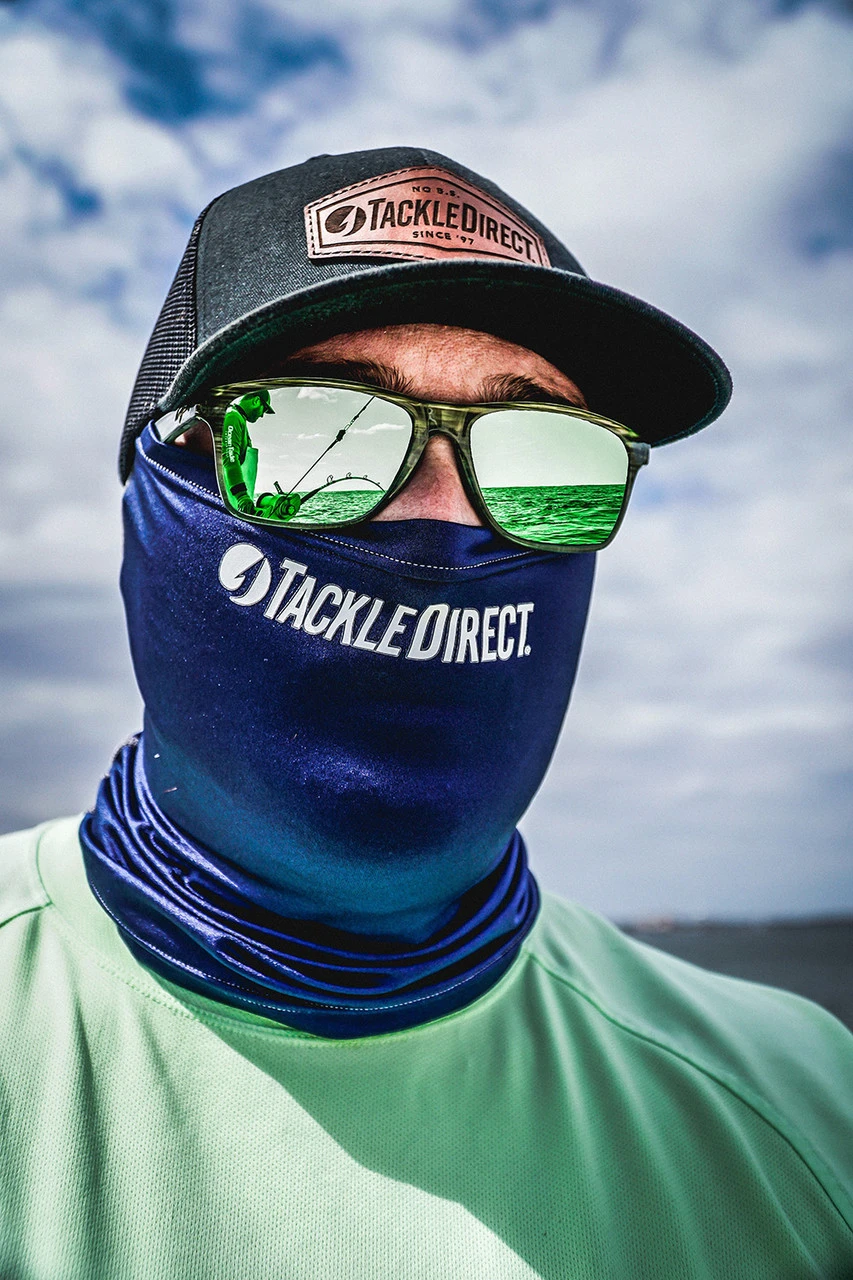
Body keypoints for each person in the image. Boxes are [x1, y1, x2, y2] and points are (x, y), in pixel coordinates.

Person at [1, 147, 851, 1279]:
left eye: (545, 449)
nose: (445, 523)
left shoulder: (802, 1106)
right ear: (163, 489)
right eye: (317, 429)